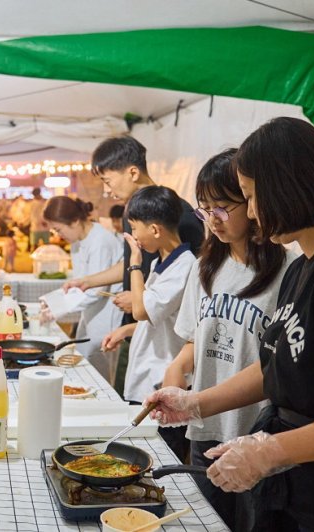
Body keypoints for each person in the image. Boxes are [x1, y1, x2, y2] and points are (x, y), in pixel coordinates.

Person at [146, 117, 314, 531]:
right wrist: (197, 403)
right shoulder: (305, 264)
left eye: (250, 196)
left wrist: (268, 451)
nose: (250, 212)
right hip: (292, 483)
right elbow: (276, 366)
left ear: (287, 187)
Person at [161, 149, 295, 531]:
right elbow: (193, 342)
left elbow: (279, 362)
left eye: (222, 208)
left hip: (256, 435)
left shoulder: (287, 269)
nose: (212, 220)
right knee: (205, 522)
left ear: (252, 203)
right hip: (206, 427)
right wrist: (175, 369)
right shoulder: (205, 266)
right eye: (204, 210)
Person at [65, 136, 204, 397]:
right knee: (126, 396)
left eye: (108, 180)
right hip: (140, 325)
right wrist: (88, 281)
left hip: (166, 341)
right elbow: (130, 262)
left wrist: (142, 300)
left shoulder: (178, 215)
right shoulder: (134, 212)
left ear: (132, 172)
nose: (107, 190)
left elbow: (194, 281)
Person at [101, 185, 196, 461]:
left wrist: (134, 263)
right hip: (146, 376)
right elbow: (160, 320)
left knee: (159, 460)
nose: (133, 235)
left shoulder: (185, 266)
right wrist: (126, 329)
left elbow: (141, 310)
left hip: (161, 382)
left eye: (134, 227)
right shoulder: (163, 263)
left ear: (155, 230)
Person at [41, 197, 123, 362]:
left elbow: (95, 291)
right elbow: (79, 283)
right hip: (90, 312)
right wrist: (53, 301)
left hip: (107, 312)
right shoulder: (77, 241)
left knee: (100, 365)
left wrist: (57, 306)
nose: (58, 235)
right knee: (83, 357)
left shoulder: (100, 241)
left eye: (59, 229)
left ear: (75, 221)